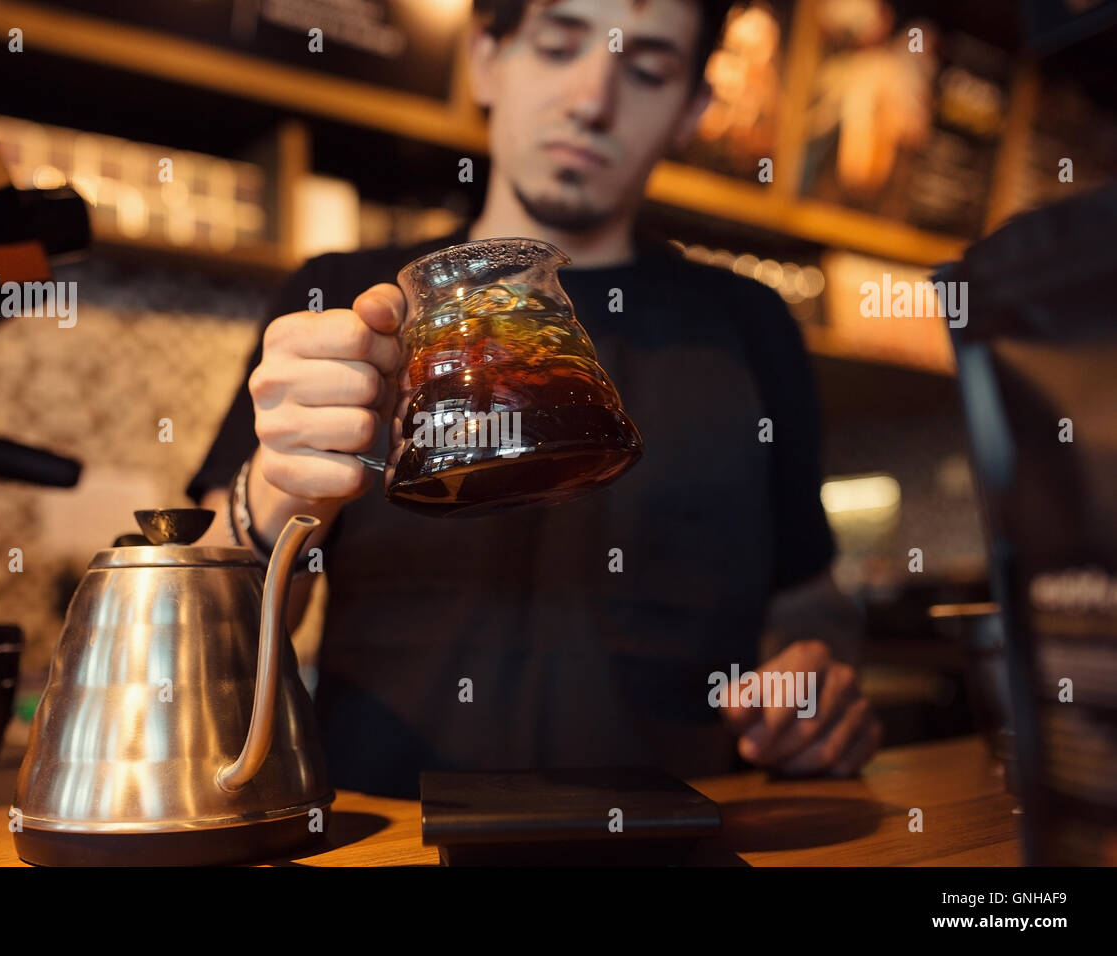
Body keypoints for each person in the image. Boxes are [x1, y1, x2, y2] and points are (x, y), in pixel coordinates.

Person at [188, 0, 883, 799]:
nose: (593, 99)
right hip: (385, 837)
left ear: (693, 109)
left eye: (647, 68)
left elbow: (811, 606)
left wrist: (814, 687)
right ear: (486, 57)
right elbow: (212, 647)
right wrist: (277, 487)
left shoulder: (751, 326)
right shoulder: (337, 296)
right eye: (558, 44)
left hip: (679, 834)